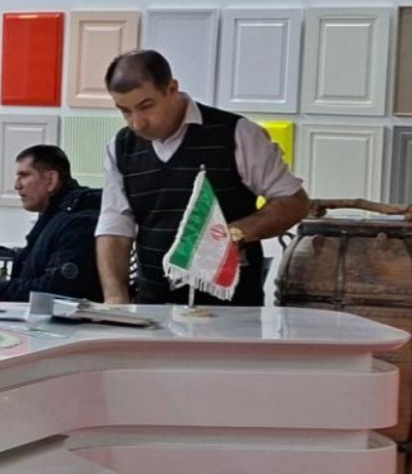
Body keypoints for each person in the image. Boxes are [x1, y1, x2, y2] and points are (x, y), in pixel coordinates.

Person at [94, 49, 311, 307]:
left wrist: (232, 234)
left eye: (146, 106)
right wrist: (115, 297)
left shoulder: (236, 134)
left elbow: (293, 202)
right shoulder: (121, 147)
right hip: (152, 305)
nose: (137, 123)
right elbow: (115, 226)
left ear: (172, 89)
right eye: (125, 111)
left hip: (233, 309)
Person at [0, 145, 103, 303]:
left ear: (51, 180)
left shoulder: (78, 223)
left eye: (24, 175)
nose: (17, 185)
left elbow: (58, 289)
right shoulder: (54, 217)